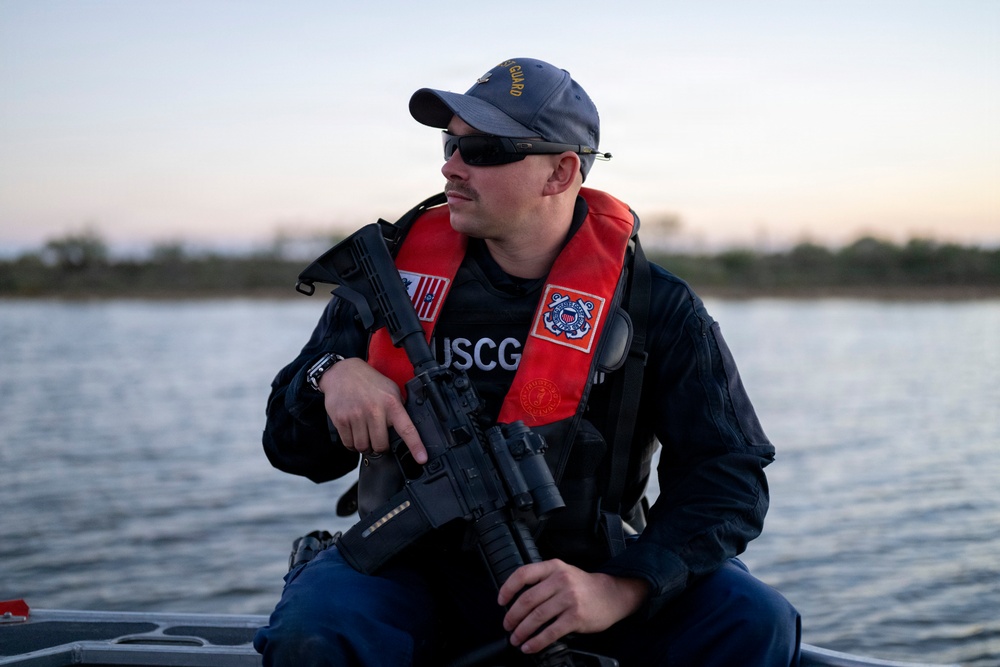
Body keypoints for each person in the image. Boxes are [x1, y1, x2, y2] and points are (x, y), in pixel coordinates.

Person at [253, 57, 801, 667]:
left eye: (483, 150)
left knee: (753, 618)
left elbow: (728, 474)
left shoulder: (656, 306)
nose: (450, 166)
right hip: (407, 573)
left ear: (560, 172)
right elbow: (288, 445)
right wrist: (330, 374)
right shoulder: (391, 282)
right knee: (316, 627)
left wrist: (620, 588)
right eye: (449, 143)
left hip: (584, 575)